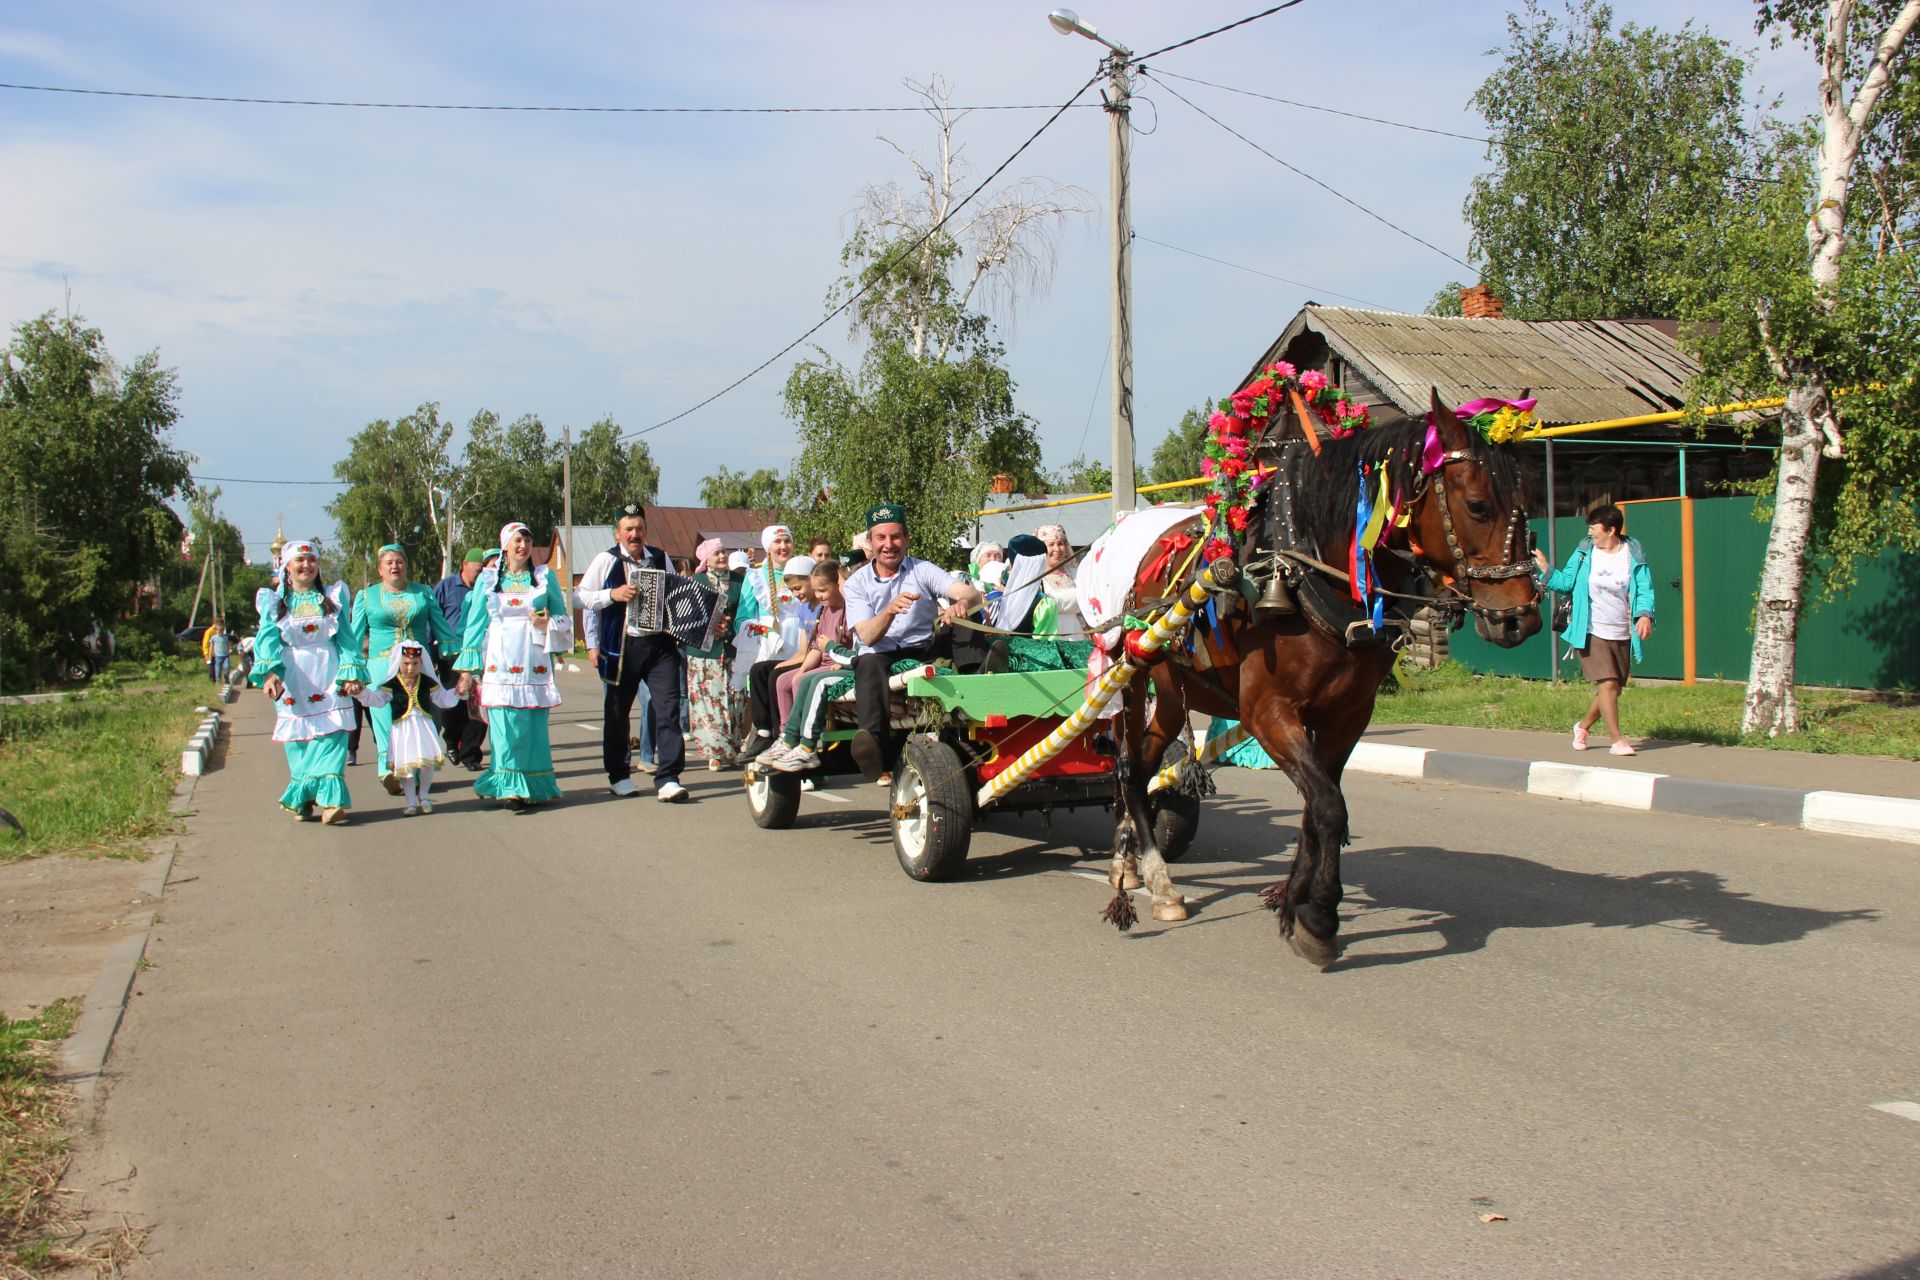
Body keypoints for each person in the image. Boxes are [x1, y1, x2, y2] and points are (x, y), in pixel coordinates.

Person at [842, 503, 981, 784]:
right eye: (881, 538)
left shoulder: (922, 569)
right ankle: (874, 753)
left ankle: (978, 693)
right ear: (870, 542)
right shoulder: (856, 583)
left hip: (923, 647)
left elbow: (970, 593)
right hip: (881, 654)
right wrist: (891, 610)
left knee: (963, 621)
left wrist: (961, 604)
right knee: (868, 663)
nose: (889, 545)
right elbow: (867, 636)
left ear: (906, 539)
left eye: (895, 537)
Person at [454, 523, 574, 810]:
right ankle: (509, 787)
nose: (524, 545)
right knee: (503, 726)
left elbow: (562, 616)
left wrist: (549, 625)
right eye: (518, 540)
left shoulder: (544, 578)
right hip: (499, 659)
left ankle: (531, 784)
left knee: (531, 726)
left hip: (533, 660)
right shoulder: (488, 579)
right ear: (505, 545)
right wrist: (467, 669)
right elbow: (474, 625)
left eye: (528, 540)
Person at [575, 504, 689, 802]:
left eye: (639, 528)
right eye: (628, 529)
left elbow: (676, 596)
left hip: (660, 646)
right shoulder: (606, 560)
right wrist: (612, 595)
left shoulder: (660, 557)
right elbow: (580, 596)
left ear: (645, 531)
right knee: (617, 713)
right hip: (622, 647)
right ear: (618, 533)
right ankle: (619, 776)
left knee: (668, 710)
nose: (634, 534)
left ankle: (668, 777)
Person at [248, 540, 366, 824]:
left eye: (311, 560)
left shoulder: (333, 597)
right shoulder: (275, 602)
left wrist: (351, 672)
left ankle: (331, 801)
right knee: (298, 739)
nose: (306, 566)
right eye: (299, 561)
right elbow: (267, 639)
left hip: (329, 671)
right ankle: (303, 796)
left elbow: (346, 637)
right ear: (287, 567)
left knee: (334, 732)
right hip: (293, 676)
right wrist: (270, 673)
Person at [1533, 503, 1656, 756]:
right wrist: (1546, 568)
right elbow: (1566, 583)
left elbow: (1644, 588)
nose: (1590, 534)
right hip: (1590, 630)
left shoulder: (1633, 551)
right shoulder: (1584, 551)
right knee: (1608, 683)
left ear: (1611, 530)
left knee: (1613, 690)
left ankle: (1582, 726)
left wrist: (1644, 615)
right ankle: (1617, 740)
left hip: (1621, 631)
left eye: (1594, 529)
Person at [352, 545, 461, 794]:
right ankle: (387, 770)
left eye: (399, 561)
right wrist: (353, 667)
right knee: (383, 719)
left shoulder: (422, 593)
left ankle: (414, 768)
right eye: (389, 562)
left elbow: (440, 624)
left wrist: (457, 655)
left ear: (406, 566)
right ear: (380, 569)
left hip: (418, 665)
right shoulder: (367, 597)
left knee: (421, 716)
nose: (394, 566)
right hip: (381, 666)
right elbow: (355, 636)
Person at [354, 638, 461, 815]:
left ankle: (424, 796)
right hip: (402, 729)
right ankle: (410, 802)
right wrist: (361, 693)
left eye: (415, 663)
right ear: (399, 662)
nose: (410, 667)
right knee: (406, 767)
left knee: (427, 764)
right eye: (406, 663)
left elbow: (442, 699)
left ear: (421, 662)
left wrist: (458, 692)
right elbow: (378, 700)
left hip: (423, 726)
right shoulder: (393, 683)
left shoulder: (427, 681)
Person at [739, 555, 820, 760]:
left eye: (799, 588)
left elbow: (814, 650)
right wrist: (782, 663)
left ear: (812, 579)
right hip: (805, 656)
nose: (796, 594)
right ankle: (763, 731)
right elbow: (802, 650)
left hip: (818, 659)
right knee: (759, 670)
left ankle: (781, 733)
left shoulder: (822, 605)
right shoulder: (805, 609)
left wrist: (783, 667)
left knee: (776, 676)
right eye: (792, 590)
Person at [684, 539, 747, 771]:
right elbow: (688, 618)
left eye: (723, 552)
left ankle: (734, 746)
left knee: (734, 699)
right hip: (704, 654)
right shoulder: (696, 582)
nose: (722, 556)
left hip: (733, 650)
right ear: (705, 559)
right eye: (716, 553)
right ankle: (715, 753)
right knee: (709, 704)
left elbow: (747, 610)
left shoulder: (740, 581)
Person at [433, 549, 488, 769]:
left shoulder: (490, 588)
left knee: (478, 705)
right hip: (452, 654)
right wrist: (430, 651)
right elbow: (433, 618)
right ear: (465, 564)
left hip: (480, 653)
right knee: (454, 705)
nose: (482, 573)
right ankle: (451, 740)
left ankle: (470, 754)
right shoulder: (446, 587)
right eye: (479, 569)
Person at [731, 523, 795, 687]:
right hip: (769, 650)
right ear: (768, 547)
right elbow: (741, 620)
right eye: (777, 542)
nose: (783, 546)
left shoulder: (803, 572)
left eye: (787, 541)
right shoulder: (756, 576)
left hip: (801, 647)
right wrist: (764, 632)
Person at [1034, 523, 1087, 637]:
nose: (1057, 549)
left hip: (1076, 633)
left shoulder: (1075, 574)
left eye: (1060, 544)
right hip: (1049, 635)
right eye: (1051, 544)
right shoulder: (1036, 577)